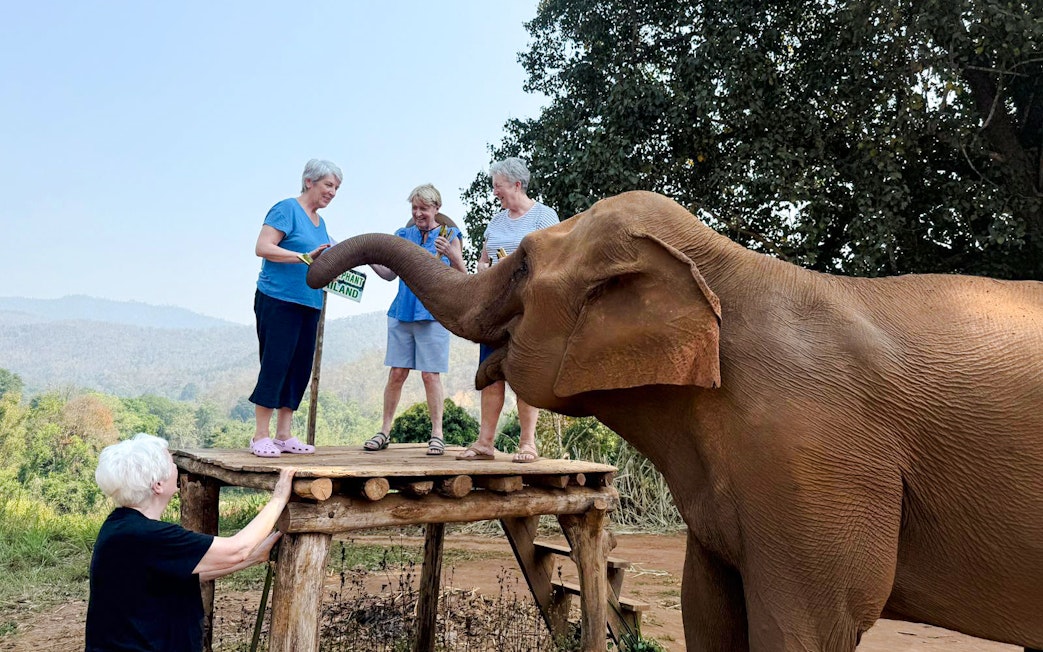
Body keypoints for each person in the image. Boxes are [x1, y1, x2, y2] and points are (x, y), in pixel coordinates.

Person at [84, 433, 295, 652]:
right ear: (157, 484)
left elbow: (179, 573)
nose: (176, 466)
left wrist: (254, 557)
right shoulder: (151, 537)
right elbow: (237, 548)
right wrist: (278, 498)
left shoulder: (119, 527)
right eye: (171, 462)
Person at [456, 158, 558, 463]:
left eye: (497, 185)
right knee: (491, 372)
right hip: (495, 309)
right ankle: (485, 442)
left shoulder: (544, 216)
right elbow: (483, 262)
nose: (494, 191)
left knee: (523, 374)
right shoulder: (496, 222)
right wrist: (487, 269)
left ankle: (528, 444)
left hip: (528, 310)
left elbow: (553, 261)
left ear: (516, 184)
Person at [249, 159, 342, 457]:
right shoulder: (286, 209)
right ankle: (260, 436)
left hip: (310, 302)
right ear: (309, 182)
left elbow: (318, 259)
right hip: (278, 300)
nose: (333, 192)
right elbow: (263, 247)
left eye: (337, 188)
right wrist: (302, 257)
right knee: (276, 362)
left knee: (299, 367)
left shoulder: (321, 223)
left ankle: (283, 435)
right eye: (329, 185)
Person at [365, 184, 466, 456]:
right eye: (415, 208)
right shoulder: (403, 235)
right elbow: (388, 274)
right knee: (397, 373)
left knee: (430, 375)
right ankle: (384, 431)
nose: (419, 213)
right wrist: (367, 257)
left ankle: (437, 434)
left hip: (433, 315)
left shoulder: (450, 235)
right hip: (402, 312)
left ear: (436, 208)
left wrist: (452, 254)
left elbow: (463, 274)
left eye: (424, 207)